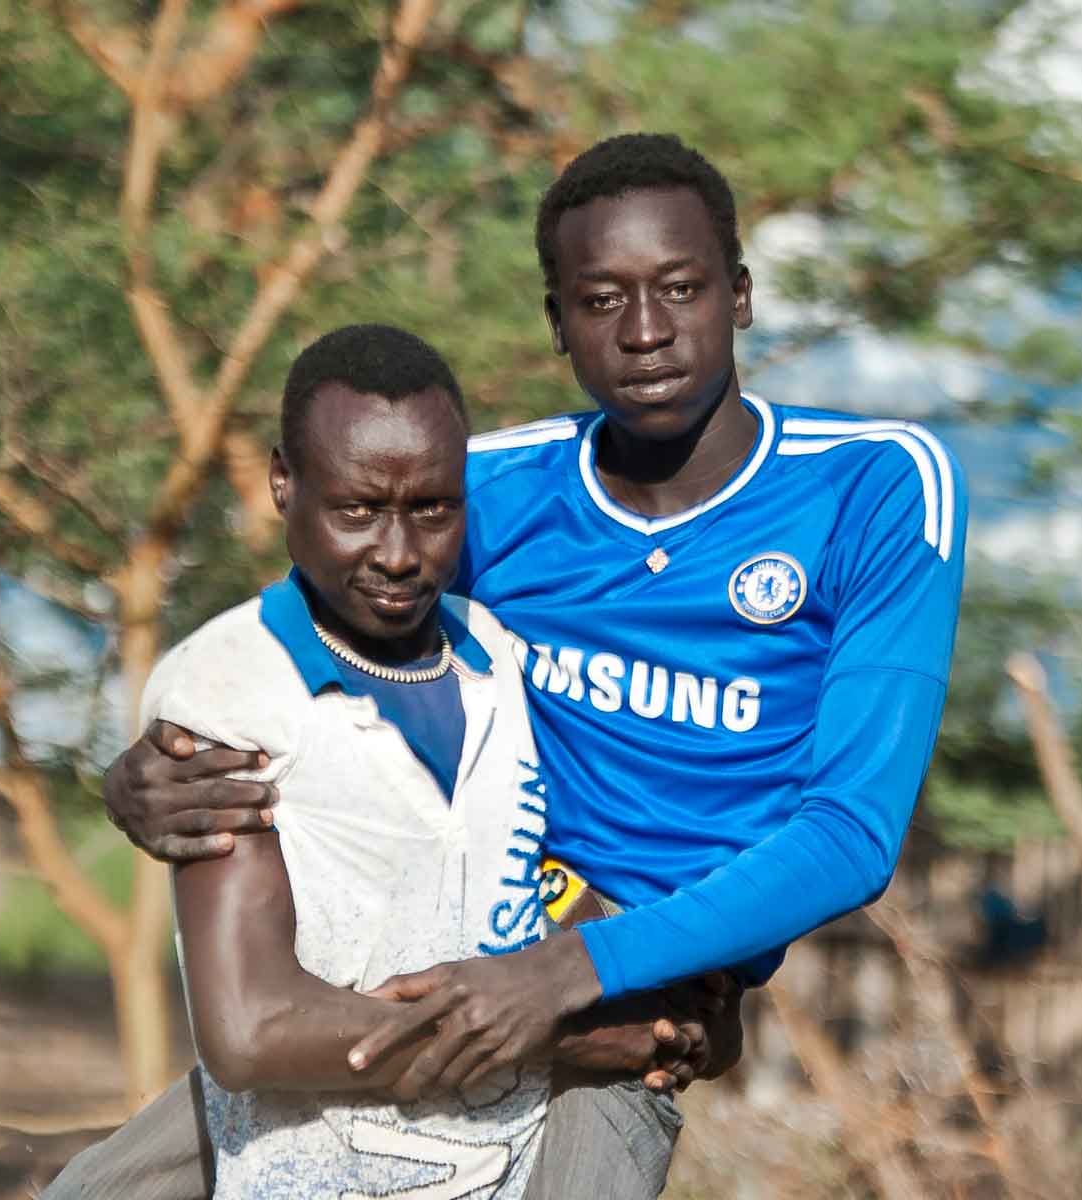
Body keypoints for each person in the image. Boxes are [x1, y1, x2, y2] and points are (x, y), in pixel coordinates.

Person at [73, 132, 969, 1198]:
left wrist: (569, 972)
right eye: (599, 300)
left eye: (679, 288)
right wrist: (141, 775)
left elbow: (849, 835)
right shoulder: (486, 489)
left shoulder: (871, 487)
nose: (643, 331)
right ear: (555, 321)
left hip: (631, 997)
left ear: (737, 294)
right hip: (426, 956)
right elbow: (307, 626)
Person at [45, 324, 725, 1200]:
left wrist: (647, 996)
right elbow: (251, 1030)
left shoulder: (496, 656)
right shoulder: (232, 693)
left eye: (432, 511)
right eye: (358, 511)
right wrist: (559, 1030)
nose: (400, 555)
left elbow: (537, 881)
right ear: (283, 483)